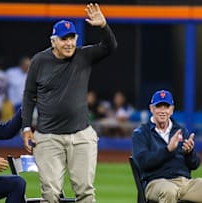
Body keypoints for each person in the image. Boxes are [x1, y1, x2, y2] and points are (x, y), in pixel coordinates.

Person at [22, 3, 118, 203]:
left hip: (81, 135)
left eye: (72, 38)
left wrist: (103, 26)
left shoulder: (83, 56)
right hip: (48, 137)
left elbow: (110, 47)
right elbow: (29, 95)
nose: (68, 43)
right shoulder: (40, 61)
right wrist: (26, 128)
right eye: (63, 39)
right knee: (50, 194)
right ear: (53, 41)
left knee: (85, 193)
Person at [132, 89, 202, 203]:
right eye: (159, 107)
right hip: (156, 182)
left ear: (171, 110)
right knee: (169, 192)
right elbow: (143, 163)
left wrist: (189, 153)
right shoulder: (141, 133)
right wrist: (167, 150)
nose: (163, 111)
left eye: (166, 107)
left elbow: (195, 164)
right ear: (151, 108)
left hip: (184, 183)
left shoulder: (181, 131)